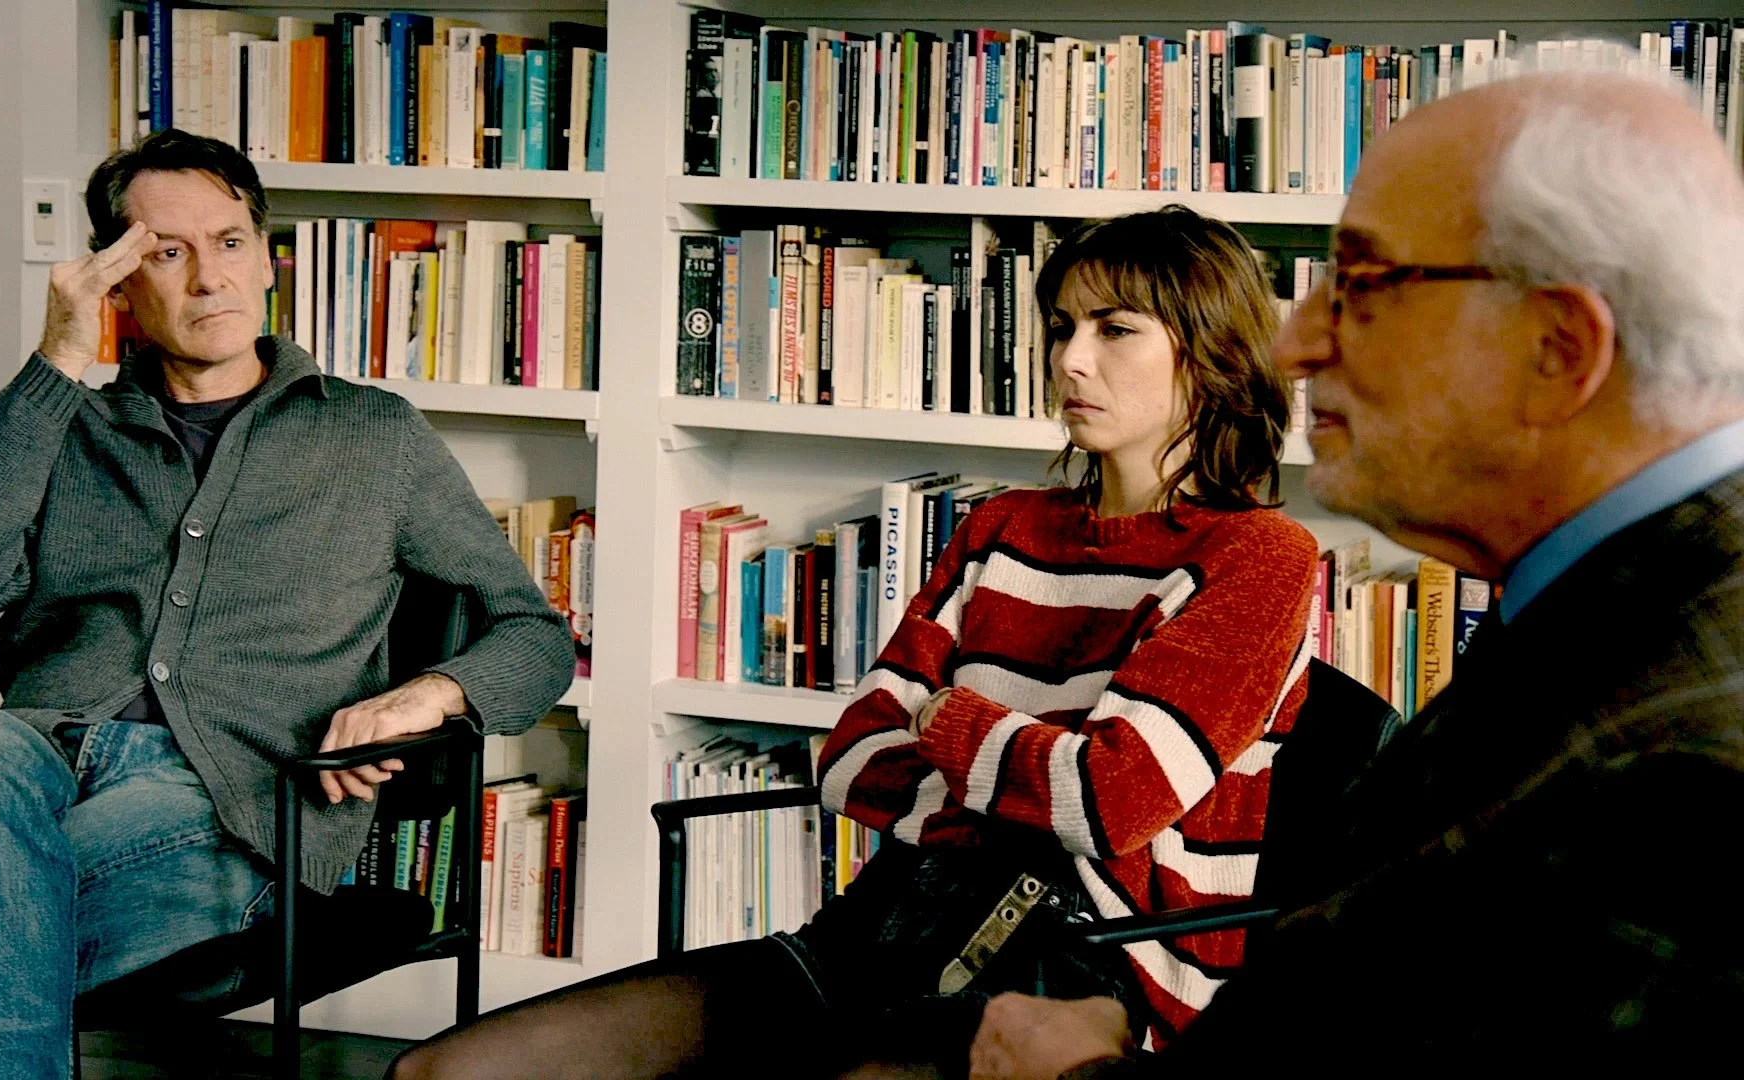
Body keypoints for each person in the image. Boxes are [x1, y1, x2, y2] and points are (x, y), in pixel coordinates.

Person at [389, 207, 1320, 1080]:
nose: (1071, 359)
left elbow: (1110, 799)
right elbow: (854, 754)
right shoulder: (1001, 529)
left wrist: (945, 716)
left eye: (1115, 330)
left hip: (1083, 975)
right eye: (1063, 326)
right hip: (869, 935)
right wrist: (1017, 778)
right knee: (441, 1071)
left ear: (1210, 353)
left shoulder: (1259, 557)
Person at [965, 61, 1744, 1079]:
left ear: (1558, 349)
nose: (1293, 344)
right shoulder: (1603, 606)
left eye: (1364, 283)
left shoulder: (1690, 788)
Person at [0, 128, 575, 1080]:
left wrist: (420, 697)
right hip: (33, 768)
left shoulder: (372, 434)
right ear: (117, 283)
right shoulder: (66, 426)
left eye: (228, 243)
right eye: (166, 253)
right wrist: (55, 362)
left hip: (236, 803)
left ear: (266, 258)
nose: (206, 279)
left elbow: (534, 635)